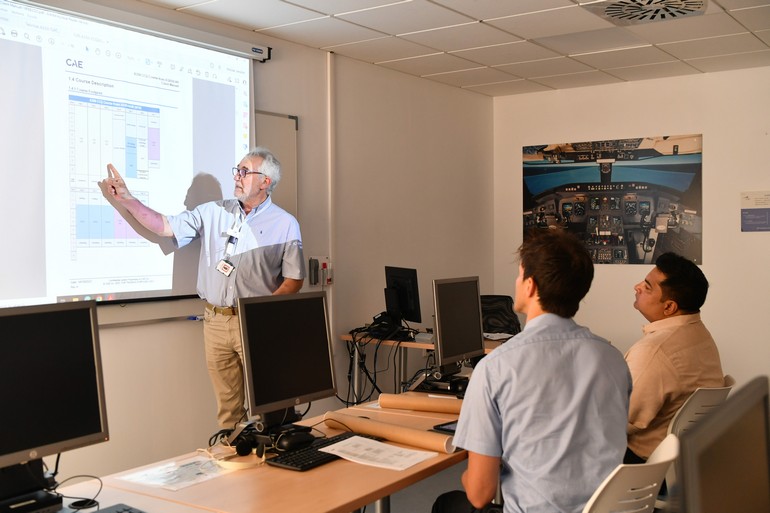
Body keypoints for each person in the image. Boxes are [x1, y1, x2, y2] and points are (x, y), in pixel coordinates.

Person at [99, 147, 305, 430]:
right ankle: (234, 452)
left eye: (245, 172)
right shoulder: (213, 211)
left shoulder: (285, 224)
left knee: (272, 403)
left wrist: (262, 313)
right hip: (215, 321)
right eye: (237, 170)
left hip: (255, 321)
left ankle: (279, 453)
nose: (237, 176)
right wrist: (127, 199)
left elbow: (294, 279)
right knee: (228, 410)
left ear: (265, 181)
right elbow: (164, 226)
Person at [433, 228, 631, 513]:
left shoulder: (496, 367)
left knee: (449, 503)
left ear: (530, 285)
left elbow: (480, 494)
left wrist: (472, 474)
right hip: (605, 508)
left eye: (519, 275)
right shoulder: (613, 359)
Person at [624, 252, 723, 463]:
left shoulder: (653, 351)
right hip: (685, 460)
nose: (637, 287)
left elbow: (619, 419)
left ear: (669, 307)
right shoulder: (700, 334)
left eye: (647, 287)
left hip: (639, 464)